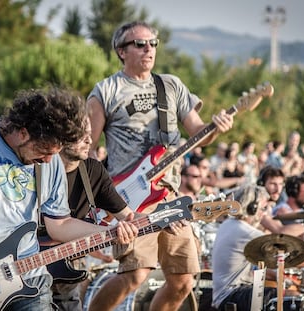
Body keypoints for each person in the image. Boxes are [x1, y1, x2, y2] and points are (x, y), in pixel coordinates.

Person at [0, 87, 138, 311]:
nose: (50, 160)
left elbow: (59, 225)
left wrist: (108, 234)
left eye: (56, 152)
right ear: (23, 133)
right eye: (45, 151)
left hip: (30, 280)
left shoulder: (52, 164)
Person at [86, 21, 234, 311]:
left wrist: (216, 128)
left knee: (184, 281)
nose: (148, 49)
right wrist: (104, 194)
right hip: (130, 199)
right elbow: (87, 148)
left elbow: (199, 135)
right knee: (134, 274)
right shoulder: (106, 90)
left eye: (153, 43)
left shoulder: (171, 85)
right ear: (121, 51)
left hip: (170, 196)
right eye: (140, 44)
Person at [51, 116, 135, 311]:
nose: (90, 140)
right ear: (61, 136)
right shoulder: (37, 165)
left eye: (90, 134)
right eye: (82, 135)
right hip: (27, 269)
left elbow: (128, 217)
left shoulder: (93, 170)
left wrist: (165, 219)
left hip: (66, 270)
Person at [211, 185, 278, 310]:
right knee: (282, 297)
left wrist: (276, 276)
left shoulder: (228, 224)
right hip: (232, 295)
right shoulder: (246, 231)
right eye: (263, 208)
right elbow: (280, 250)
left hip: (224, 295)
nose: (264, 214)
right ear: (252, 208)